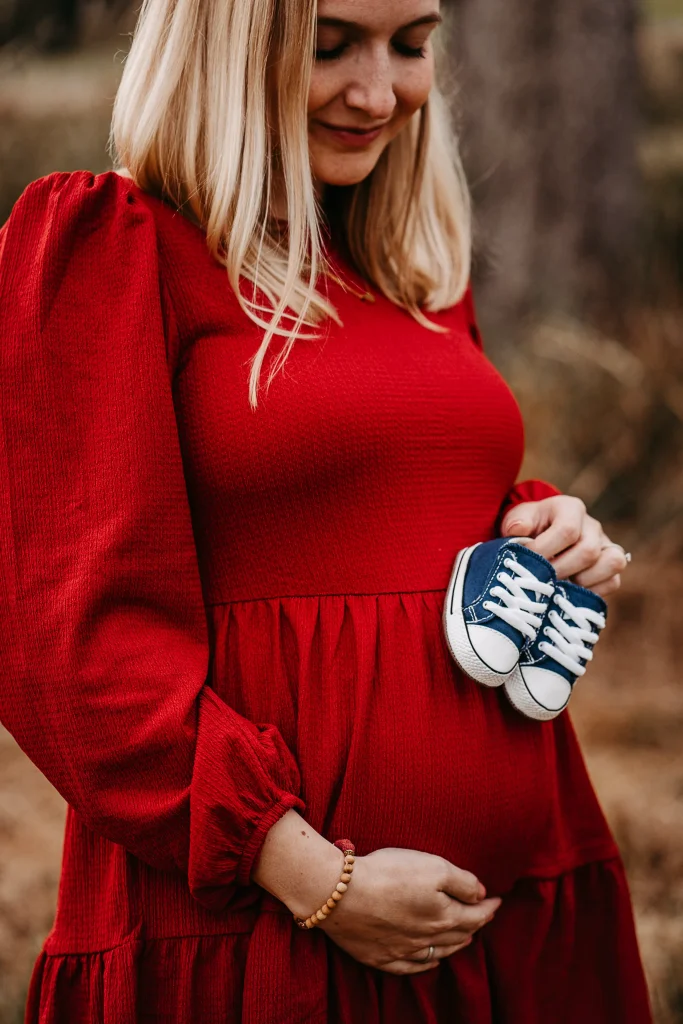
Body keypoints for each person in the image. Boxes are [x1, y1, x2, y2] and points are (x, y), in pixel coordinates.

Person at [0, 1, 652, 1021]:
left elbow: (397, 502)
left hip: (514, 912)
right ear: (224, 45)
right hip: (261, 929)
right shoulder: (113, 246)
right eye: (330, 45)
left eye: (411, 45)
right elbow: (66, 637)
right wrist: (311, 875)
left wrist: (541, 525)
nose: (377, 92)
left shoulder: (410, 268)